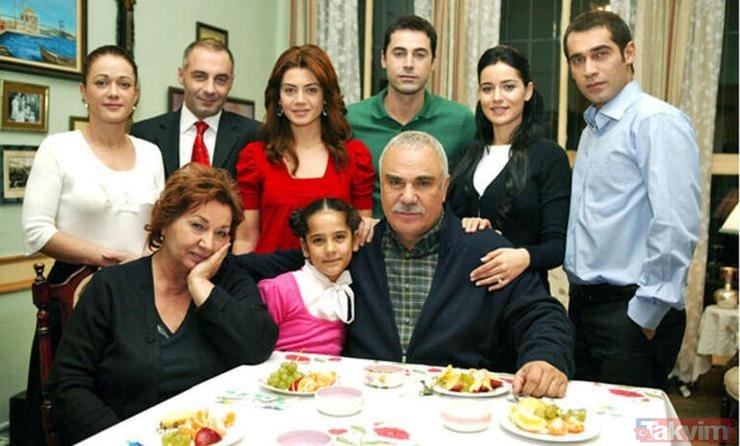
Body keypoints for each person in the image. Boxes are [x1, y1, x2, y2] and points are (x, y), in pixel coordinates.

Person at [239, 131, 575, 398]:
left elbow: (541, 314)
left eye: (423, 183)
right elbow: (249, 269)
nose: (408, 196)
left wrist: (544, 358)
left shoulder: (484, 249)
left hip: (456, 410)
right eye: (395, 182)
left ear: (445, 187)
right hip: (363, 409)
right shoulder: (352, 249)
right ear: (381, 186)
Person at [49, 163, 278, 443]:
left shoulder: (229, 279)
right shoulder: (111, 287)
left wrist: (201, 286)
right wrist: (123, 440)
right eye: (197, 226)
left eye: (221, 233)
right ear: (166, 221)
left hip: (214, 436)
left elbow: (258, 347)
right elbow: (68, 384)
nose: (208, 244)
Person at [20, 44, 165, 446]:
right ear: (84, 91)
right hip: (74, 293)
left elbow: (160, 227)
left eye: (124, 84)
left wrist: (149, 259)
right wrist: (104, 258)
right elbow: (36, 231)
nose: (113, 92)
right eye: (102, 83)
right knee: (76, 405)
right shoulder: (58, 148)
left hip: (140, 292)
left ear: (136, 93)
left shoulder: (151, 153)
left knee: (135, 397)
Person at [562, 10, 700, 389]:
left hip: (631, 313)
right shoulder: (594, 129)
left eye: (600, 54)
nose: (589, 69)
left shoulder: (656, 120)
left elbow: (675, 224)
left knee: (629, 421)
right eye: (578, 59)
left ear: (629, 53)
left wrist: (647, 312)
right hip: (586, 308)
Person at [447, 46, 571, 292]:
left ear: (528, 91)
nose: (497, 97)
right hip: (463, 293)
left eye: (508, 87)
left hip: (523, 293)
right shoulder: (466, 155)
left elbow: (559, 246)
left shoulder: (549, 157)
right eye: (487, 88)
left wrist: (523, 256)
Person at [234, 45, 375, 254]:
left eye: (311, 90)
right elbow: (246, 240)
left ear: (325, 97)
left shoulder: (354, 157)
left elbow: (360, 239)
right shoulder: (254, 158)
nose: (300, 100)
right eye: (290, 90)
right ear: (278, 98)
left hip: (335, 274)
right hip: (268, 273)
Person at [347, 14, 477, 217]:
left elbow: (472, 192)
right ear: (383, 59)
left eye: (419, 54)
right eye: (399, 53)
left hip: (438, 235)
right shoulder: (350, 120)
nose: (408, 64)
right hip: (369, 234)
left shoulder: (461, 121)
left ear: (433, 62)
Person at [130, 39, 261, 179]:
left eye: (221, 80)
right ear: (181, 76)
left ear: (231, 83)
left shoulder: (255, 135)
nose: (210, 89)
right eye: (200, 77)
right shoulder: (144, 134)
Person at [258, 198, 360, 356]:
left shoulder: (352, 290)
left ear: (355, 240)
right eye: (318, 240)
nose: (330, 249)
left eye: (339, 237)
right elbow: (253, 344)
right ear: (305, 247)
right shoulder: (280, 289)